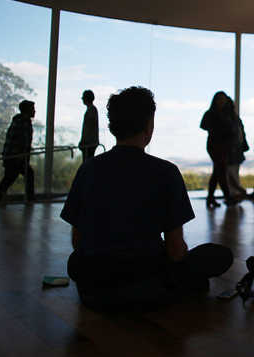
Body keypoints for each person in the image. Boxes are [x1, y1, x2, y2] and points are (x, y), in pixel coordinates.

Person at [62, 86, 233, 311]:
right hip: (146, 275)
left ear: (113, 126)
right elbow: (175, 249)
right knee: (220, 255)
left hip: (94, 282)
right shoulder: (166, 172)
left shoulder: (88, 169)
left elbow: (78, 241)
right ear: (148, 126)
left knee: (77, 261)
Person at [0, 100, 35, 202]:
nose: (34, 111)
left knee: (11, 177)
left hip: (14, 156)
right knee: (14, 176)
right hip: (15, 156)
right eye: (32, 109)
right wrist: (20, 155)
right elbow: (19, 141)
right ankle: (29, 198)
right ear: (27, 110)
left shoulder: (21, 121)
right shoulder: (22, 122)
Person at [200, 91, 237, 208]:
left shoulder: (226, 114)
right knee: (220, 170)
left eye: (223, 99)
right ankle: (227, 197)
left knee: (218, 171)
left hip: (222, 146)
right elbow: (204, 125)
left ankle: (211, 198)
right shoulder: (212, 114)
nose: (221, 101)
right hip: (215, 145)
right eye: (219, 99)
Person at [225, 97, 249, 198]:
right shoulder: (236, 119)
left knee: (229, 175)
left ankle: (236, 194)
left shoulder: (229, 120)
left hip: (231, 151)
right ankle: (237, 193)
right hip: (236, 151)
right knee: (233, 173)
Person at [78, 89, 99, 162]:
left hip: (89, 143)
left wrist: (83, 141)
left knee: (87, 163)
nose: (82, 99)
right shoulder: (92, 110)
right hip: (90, 143)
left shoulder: (92, 110)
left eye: (83, 97)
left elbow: (89, 128)